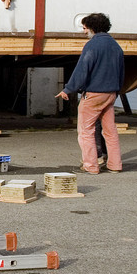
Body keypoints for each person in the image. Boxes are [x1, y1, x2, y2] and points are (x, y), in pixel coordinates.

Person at [56, 13, 124, 174]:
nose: (84, 31)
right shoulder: (116, 46)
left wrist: (68, 89)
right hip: (111, 93)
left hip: (94, 94)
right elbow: (121, 72)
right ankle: (115, 165)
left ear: (92, 28)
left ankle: (91, 166)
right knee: (110, 131)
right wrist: (117, 90)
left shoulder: (92, 46)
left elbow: (82, 70)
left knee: (86, 131)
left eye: (85, 28)